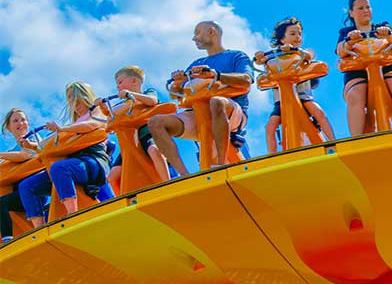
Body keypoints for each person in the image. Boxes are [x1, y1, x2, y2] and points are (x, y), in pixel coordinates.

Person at [149, 20, 254, 174]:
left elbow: (246, 80)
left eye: (197, 32)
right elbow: (175, 93)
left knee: (216, 101)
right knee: (156, 122)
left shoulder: (236, 56)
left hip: (231, 112)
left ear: (212, 31)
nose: (194, 38)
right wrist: (177, 83)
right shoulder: (197, 63)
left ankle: (219, 163)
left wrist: (215, 75)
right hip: (198, 114)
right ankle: (183, 175)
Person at [19, 82, 111, 227]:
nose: (74, 103)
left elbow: (93, 125)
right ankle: (39, 228)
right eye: (70, 99)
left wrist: (62, 129)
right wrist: (34, 147)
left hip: (92, 161)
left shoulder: (96, 111)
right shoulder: (74, 123)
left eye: (76, 97)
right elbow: (56, 149)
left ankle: (73, 214)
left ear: (85, 95)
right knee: (27, 186)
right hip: (73, 163)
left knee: (59, 168)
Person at [336, 0, 392, 135]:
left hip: (387, 69)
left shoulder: (383, 27)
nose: (365, 10)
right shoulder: (346, 33)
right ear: (351, 13)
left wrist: (389, 35)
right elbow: (340, 51)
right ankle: (356, 138)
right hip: (358, 73)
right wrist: (349, 41)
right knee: (356, 95)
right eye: (360, 8)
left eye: (368, 7)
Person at [255, 17, 335, 153]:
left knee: (319, 113)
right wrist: (259, 57)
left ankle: (333, 142)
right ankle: (272, 155)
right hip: (282, 101)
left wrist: (296, 51)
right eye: (292, 34)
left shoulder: (302, 53)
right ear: (282, 39)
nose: (297, 37)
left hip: (303, 97)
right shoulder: (274, 57)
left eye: (299, 34)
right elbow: (260, 61)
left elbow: (309, 54)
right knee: (271, 126)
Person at [97, 65, 169, 195]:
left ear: (134, 81)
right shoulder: (126, 104)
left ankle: (167, 183)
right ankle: (123, 197)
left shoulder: (146, 93)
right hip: (131, 141)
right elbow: (112, 116)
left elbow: (152, 101)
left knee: (154, 150)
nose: (118, 86)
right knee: (113, 176)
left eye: (120, 82)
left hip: (147, 133)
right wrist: (103, 108)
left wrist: (132, 95)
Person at [0, 109, 42, 242]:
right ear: (9, 127)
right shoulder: (10, 152)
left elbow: (25, 155)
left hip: (37, 190)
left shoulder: (34, 140)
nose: (21, 123)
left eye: (23, 120)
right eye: (15, 121)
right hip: (19, 193)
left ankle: (8, 239)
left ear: (28, 124)